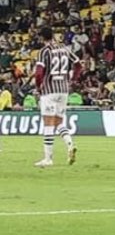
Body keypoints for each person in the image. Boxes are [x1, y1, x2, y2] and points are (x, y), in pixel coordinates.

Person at [33, 26, 79, 167]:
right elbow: (78, 64)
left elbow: (39, 73)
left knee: (48, 124)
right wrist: (73, 80)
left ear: (41, 37)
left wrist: (38, 87)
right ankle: (70, 145)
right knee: (58, 122)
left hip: (49, 90)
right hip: (63, 90)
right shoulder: (64, 48)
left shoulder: (44, 51)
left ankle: (48, 158)